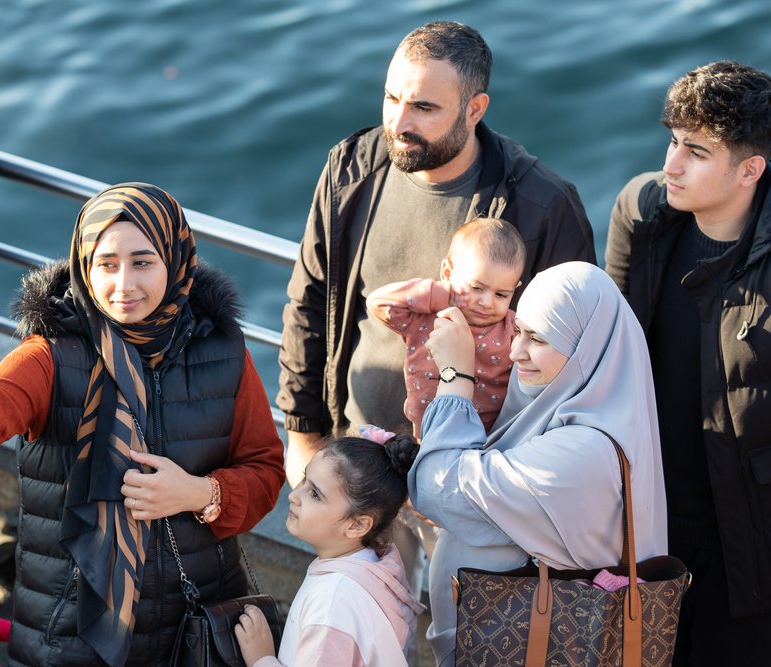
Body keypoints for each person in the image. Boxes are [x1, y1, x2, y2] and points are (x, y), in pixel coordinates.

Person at [0, 183, 286, 667]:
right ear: (83, 266)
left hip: (196, 620)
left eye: (143, 262)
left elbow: (265, 469)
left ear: (175, 259)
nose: (123, 286)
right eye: (106, 264)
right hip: (71, 623)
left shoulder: (222, 351)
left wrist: (200, 494)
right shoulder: (52, 351)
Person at [276, 19, 595, 592]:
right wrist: (303, 432)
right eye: (392, 98)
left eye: (423, 107)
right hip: (360, 456)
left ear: (475, 109)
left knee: (461, 625)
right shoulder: (352, 167)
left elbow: (572, 361)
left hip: (474, 477)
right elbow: (311, 299)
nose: (399, 122)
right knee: (362, 610)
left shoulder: (543, 206)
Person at [604, 60, 771, 666]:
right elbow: (609, 354)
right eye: (672, 141)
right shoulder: (642, 215)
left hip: (761, 551)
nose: (670, 165)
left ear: (750, 168)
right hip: (652, 524)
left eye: (695, 151)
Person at [408, 261, 668, 666]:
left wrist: (456, 376)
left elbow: (437, 488)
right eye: (518, 331)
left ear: (586, 347)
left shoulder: (583, 454)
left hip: (527, 645)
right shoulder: (584, 411)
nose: (515, 352)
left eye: (538, 338)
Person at [234, 432, 424, 667]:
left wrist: (261, 658)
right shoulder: (372, 572)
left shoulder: (332, 603)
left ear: (357, 524)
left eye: (314, 494)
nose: (294, 496)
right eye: (304, 480)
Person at [367, 216, 525, 438]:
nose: (487, 302)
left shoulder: (513, 329)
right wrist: (442, 294)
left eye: (501, 294)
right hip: (423, 435)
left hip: (488, 439)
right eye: (476, 288)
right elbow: (378, 303)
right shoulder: (425, 317)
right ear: (448, 273)